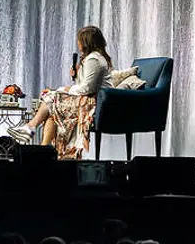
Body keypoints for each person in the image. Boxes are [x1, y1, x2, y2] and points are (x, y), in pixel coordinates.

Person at [8, 25, 115, 159]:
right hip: (87, 98)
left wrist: (66, 89)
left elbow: (87, 88)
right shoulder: (92, 58)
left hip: (92, 103)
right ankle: (43, 151)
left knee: (52, 96)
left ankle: (30, 127)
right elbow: (86, 84)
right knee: (52, 114)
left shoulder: (94, 59)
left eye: (80, 40)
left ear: (87, 42)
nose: (78, 43)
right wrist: (76, 76)